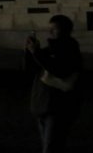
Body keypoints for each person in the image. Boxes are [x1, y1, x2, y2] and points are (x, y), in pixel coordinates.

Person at [25, 14, 83, 153]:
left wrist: (37, 54)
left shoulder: (70, 48)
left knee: (51, 147)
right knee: (50, 145)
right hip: (43, 104)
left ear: (65, 30)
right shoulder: (49, 50)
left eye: (54, 29)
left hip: (58, 107)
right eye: (49, 28)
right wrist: (29, 52)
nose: (50, 32)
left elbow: (60, 69)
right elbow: (30, 69)